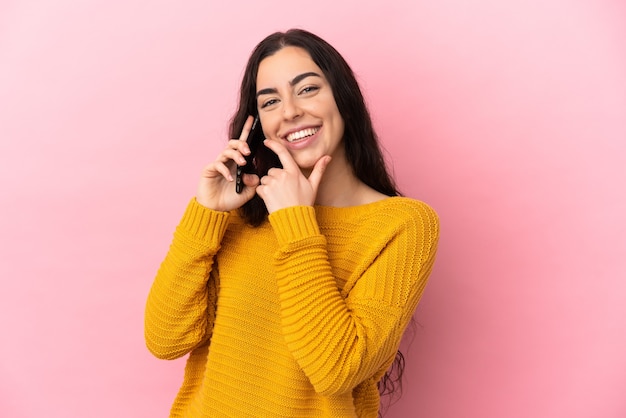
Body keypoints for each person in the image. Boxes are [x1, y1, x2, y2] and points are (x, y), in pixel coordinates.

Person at [144, 28, 439, 418]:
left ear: (344, 100)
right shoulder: (237, 215)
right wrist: (207, 213)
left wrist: (295, 223)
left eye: (307, 89)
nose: (289, 111)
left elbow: (336, 369)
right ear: (259, 125)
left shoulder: (404, 225)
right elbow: (165, 339)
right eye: (270, 101)